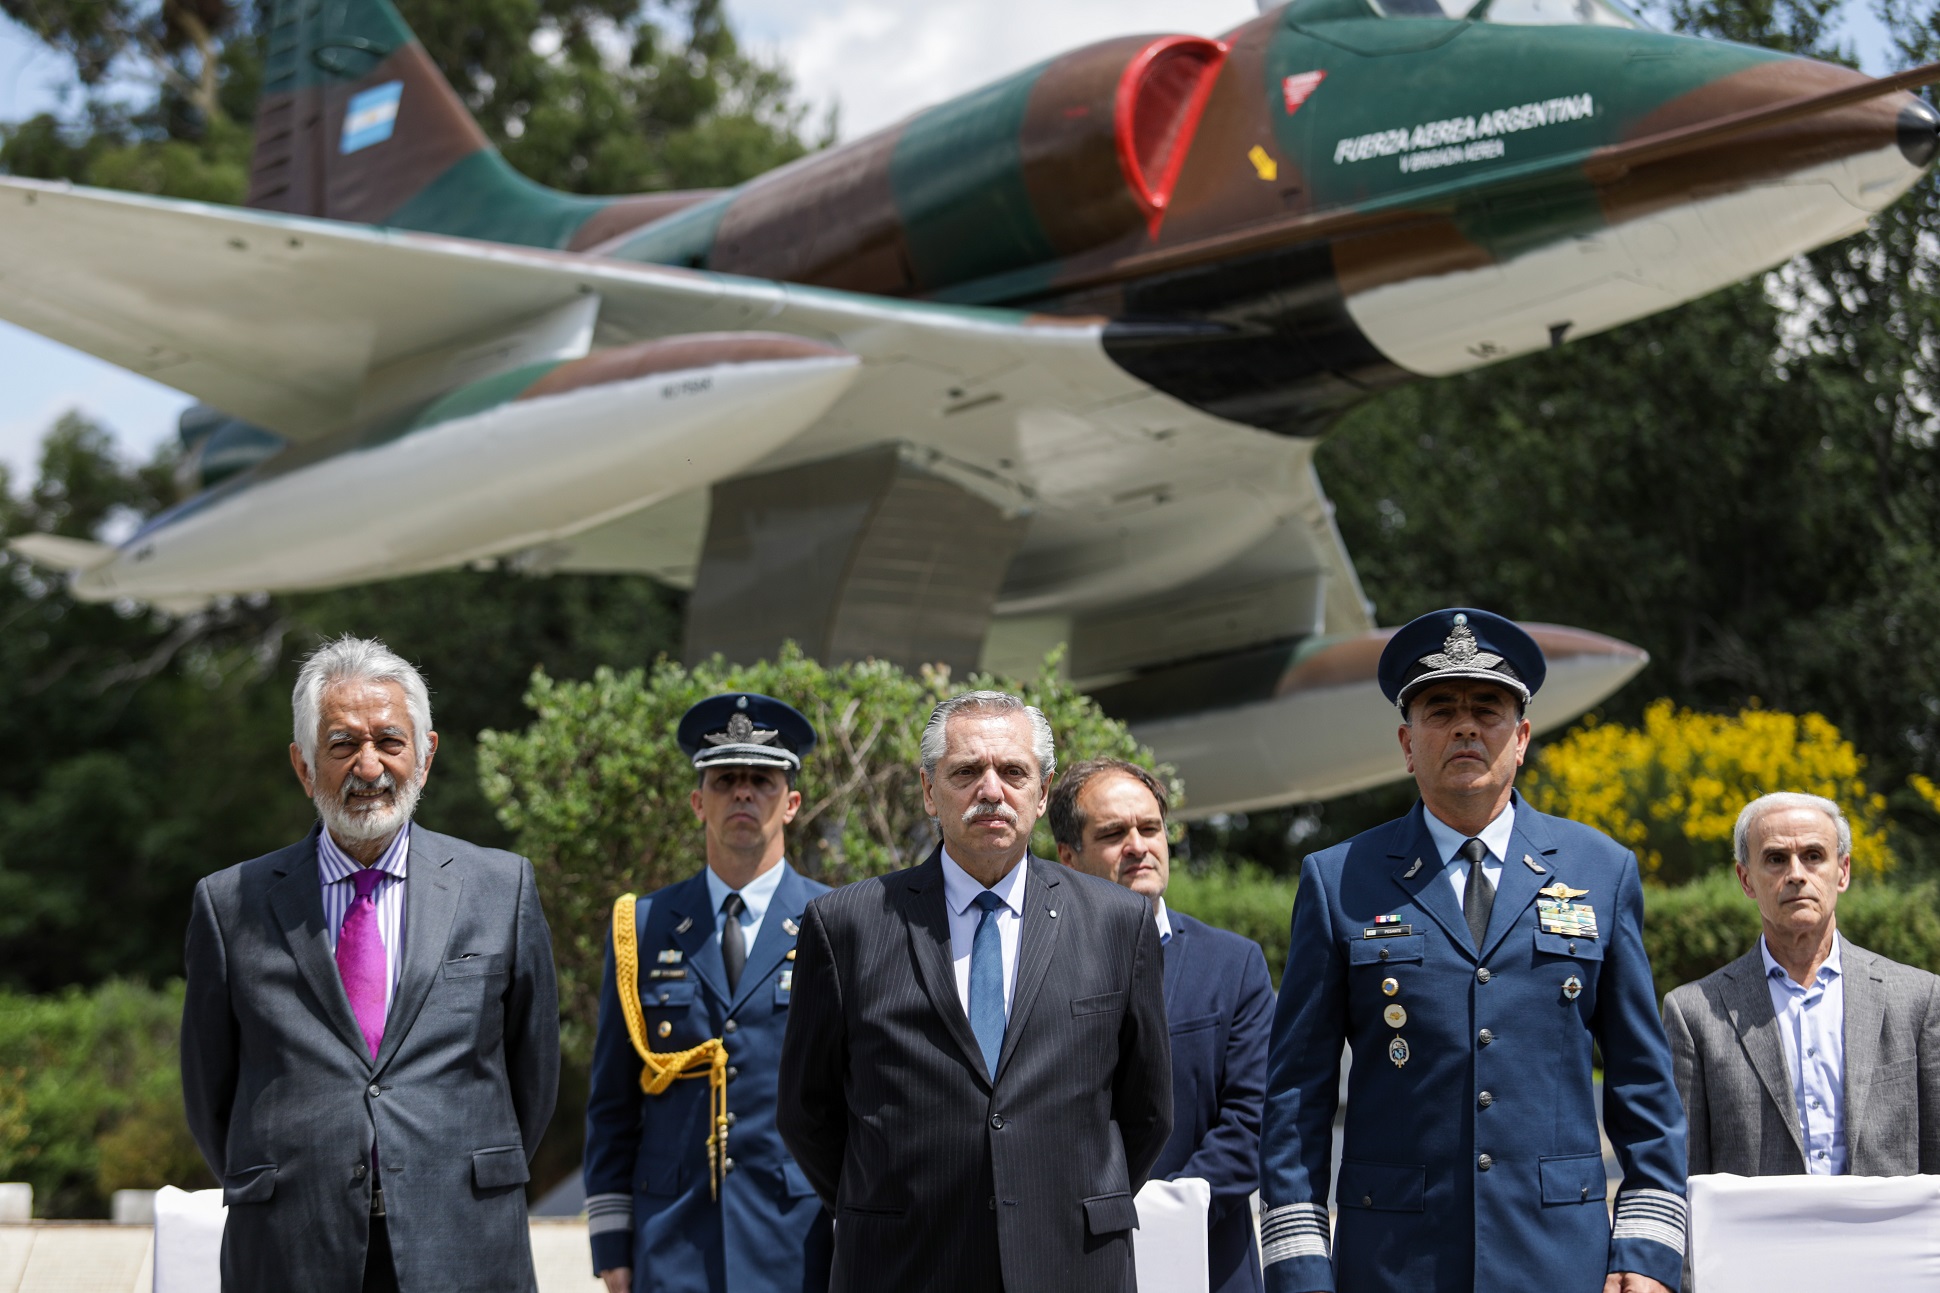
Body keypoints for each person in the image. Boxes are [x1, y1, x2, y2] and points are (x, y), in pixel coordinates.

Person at [1260, 609, 1688, 1293]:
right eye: (1441, 711)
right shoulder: (1338, 878)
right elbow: (1296, 1095)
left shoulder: (1601, 870)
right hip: (1394, 1266)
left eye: (1487, 710)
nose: (1465, 727)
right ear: (1407, 743)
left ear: (1521, 739)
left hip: (1558, 1261)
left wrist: (1646, 1250)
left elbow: (1643, 1082)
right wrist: (1301, 1268)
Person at [180, 636, 559, 1293]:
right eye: (342, 744)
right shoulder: (230, 904)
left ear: (426, 755)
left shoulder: (502, 888)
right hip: (291, 1247)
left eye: (389, 740)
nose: (369, 766)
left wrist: (453, 1172)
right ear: (303, 765)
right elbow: (208, 1090)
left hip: (463, 1240)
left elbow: (535, 1075)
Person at [777, 690, 1173, 1293]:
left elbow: (1148, 1112)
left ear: (1043, 793)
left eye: (1013, 771)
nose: (992, 790)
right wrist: (889, 1207)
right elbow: (808, 1113)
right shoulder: (847, 925)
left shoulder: (1118, 922)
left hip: (1072, 1263)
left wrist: (1060, 1203)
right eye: (966, 772)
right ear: (929, 790)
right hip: (903, 1265)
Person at [582, 692, 833, 1293]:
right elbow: (613, 1100)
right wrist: (612, 1242)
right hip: (672, 1238)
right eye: (725, 781)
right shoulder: (644, 925)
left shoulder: (835, 921)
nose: (743, 794)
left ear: (791, 803)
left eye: (761, 781)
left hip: (797, 1238)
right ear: (699, 802)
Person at [1050, 758, 1274, 1293]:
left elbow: (1255, 1119)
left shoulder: (1233, 965)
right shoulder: (1035, 968)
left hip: (1209, 1264)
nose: (1138, 846)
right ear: (1068, 857)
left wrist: (1161, 1215)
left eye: (1150, 828)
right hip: (1067, 1261)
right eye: (1113, 834)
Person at [1662, 792, 1940, 1177]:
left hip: (1884, 1219)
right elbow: (1686, 1172)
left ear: (1842, 871)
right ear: (1746, 880)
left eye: (1813, 855)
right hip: (1761, 1220)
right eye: (1776, 859)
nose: (1796, 873)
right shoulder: (1695, 1013)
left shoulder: (1918, 998)